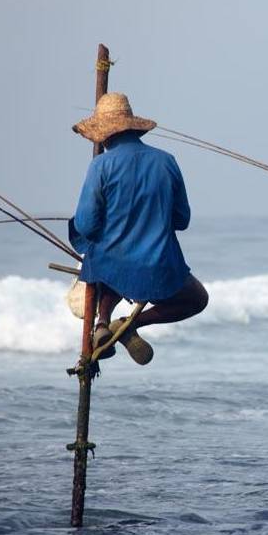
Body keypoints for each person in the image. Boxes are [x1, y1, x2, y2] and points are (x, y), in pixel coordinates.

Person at [69, 92, 208, 365]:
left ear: (104, 135)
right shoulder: (166, 161)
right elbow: (182, 220)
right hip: (159, 266)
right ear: (133, 127)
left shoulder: (100, 165)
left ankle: (103, 323)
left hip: (111, 264)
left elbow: (86, 224)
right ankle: (130, 324)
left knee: (109, 264)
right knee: (196, 299)